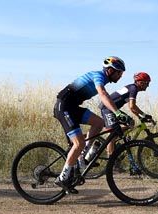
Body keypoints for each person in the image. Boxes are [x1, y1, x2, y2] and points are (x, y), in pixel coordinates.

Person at [54, 56, 127, 193]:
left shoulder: (103, 78)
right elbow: (103, 94)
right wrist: (117, 113)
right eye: (119, 73)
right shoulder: (98, 76)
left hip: (72, 108)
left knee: (99, 123)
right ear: (111, 70)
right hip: (64, 107)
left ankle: (82, 157)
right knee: (78, 143)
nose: (120, 76)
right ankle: (62, 178)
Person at [93, 71, 153, 163]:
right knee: (112, 135)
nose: (148, 86)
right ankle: (112, 162)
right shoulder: (133, 88)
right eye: (147, 83)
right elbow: (133, 106)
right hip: (107, 108)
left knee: (131, 122)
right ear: (140, 82)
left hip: (111, 109)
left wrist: (140, 117)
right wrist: (144, 115)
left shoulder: (132, 87)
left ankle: (115, 139)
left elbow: (132, 108)